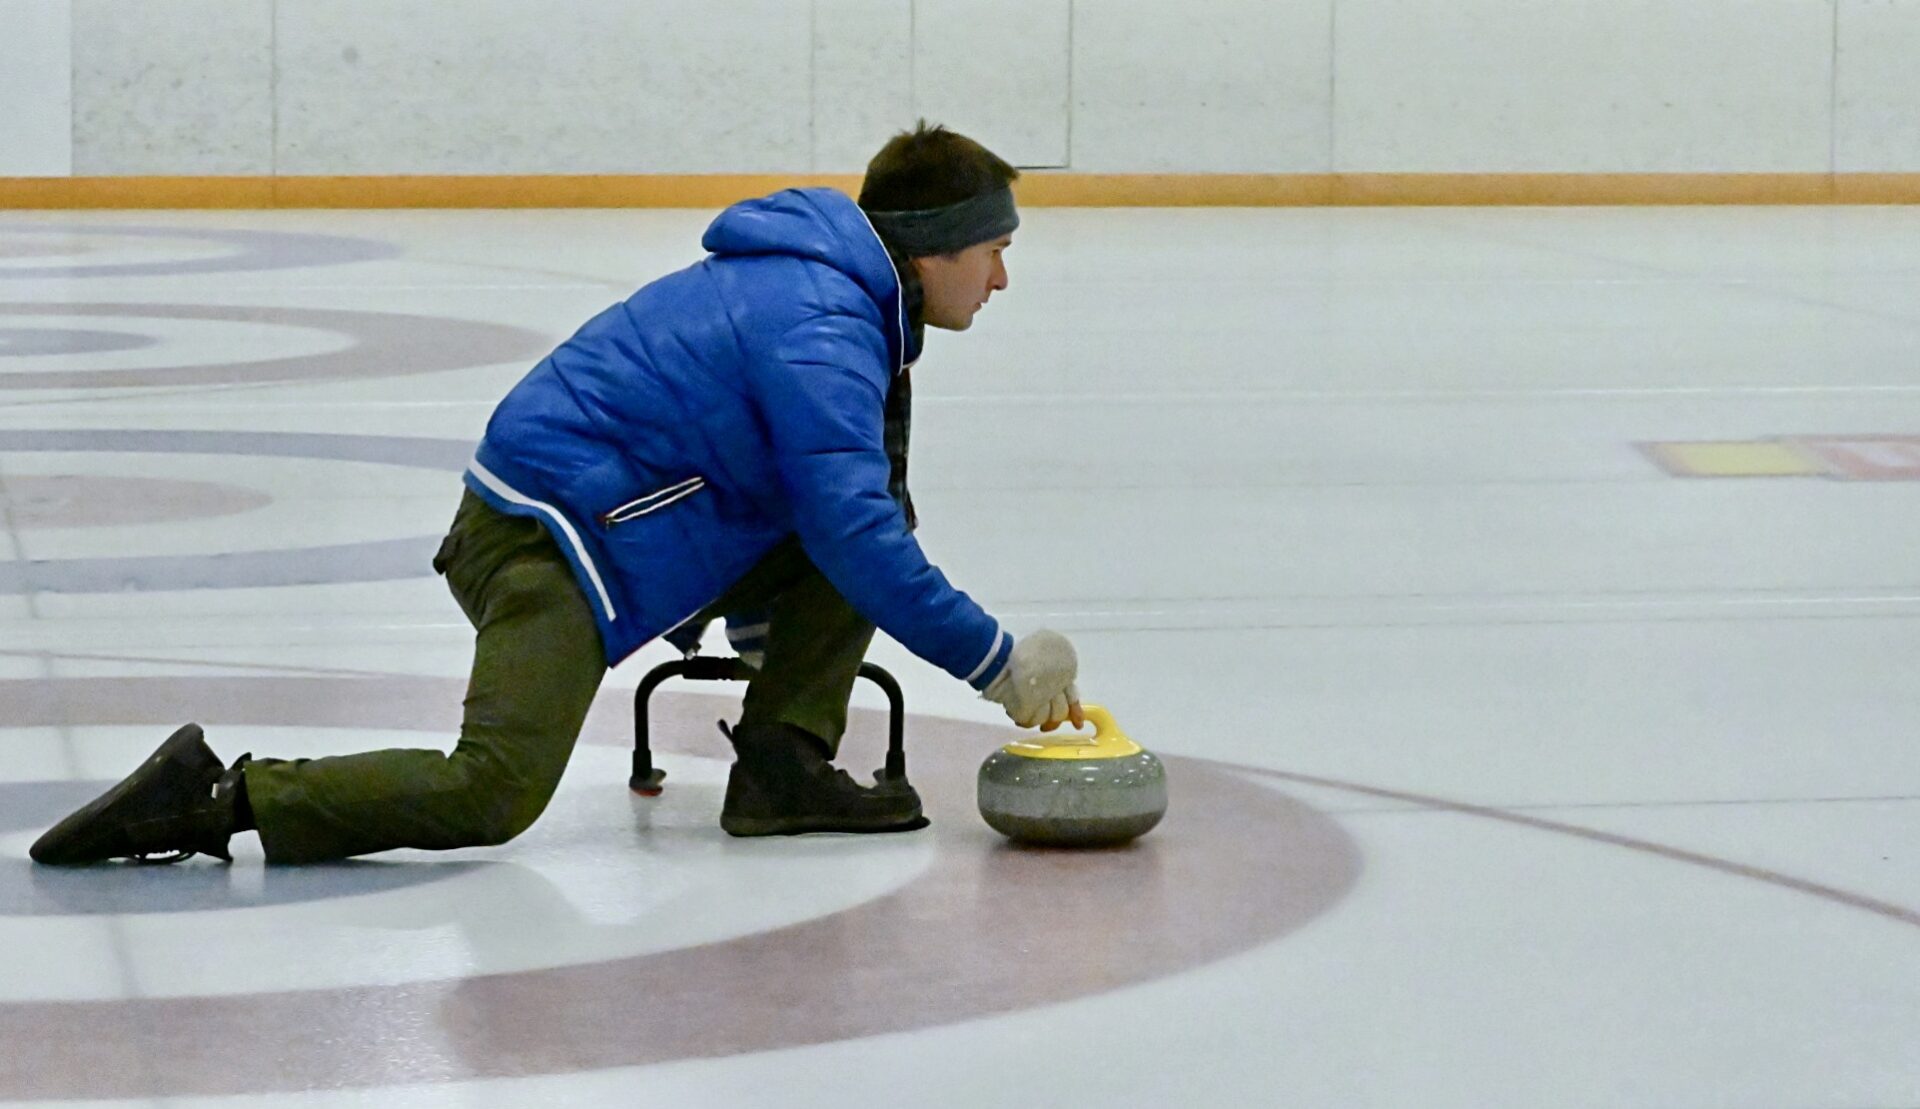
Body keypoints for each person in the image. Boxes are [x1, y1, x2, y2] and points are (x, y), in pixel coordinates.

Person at [30, 121, 1084, 867]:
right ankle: (223, 795)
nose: (1001, 279)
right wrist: (998, 662)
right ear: (934, 246)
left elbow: (844, 511)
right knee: (494, 789)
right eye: (995, 250)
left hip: (606, 517)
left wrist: (794, 631)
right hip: (546, 541)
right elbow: (852, 531)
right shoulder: (820, 326)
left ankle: (781, 764)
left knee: (862, 524)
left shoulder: (837, 297)